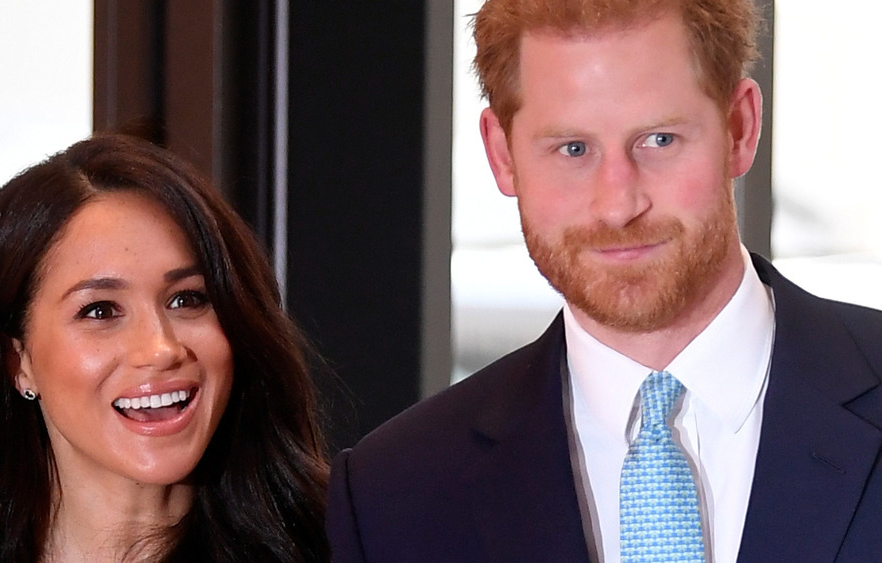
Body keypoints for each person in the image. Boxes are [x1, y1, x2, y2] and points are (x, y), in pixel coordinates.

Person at [326, 0, 882, 561]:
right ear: (502, 155)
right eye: (573, 149)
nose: (618, 204)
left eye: (659, 140)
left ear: (739, 127)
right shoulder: (392, 494)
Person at [0, 134, 330, 562]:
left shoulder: (348, 540)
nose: (161, 348)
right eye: (99, 311)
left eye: (188, 299)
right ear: (17, 361)